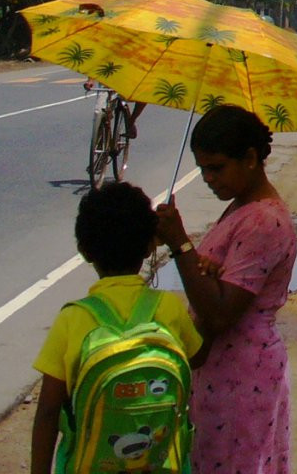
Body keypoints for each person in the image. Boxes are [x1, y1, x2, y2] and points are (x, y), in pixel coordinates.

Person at [156, 105, 297, 474]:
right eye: (202, 169)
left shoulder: (264, 220)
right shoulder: (241, 208)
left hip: (242, 373)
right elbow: (224, 281)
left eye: (216, 168)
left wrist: (181, 245)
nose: (208, 178)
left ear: (250, 158)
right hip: (221, 371)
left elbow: (220, 313)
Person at [31, 182, 201, 474]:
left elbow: (48, 412)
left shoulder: (73, 320)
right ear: (150, 246)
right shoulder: (168, 308)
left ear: (85, 251)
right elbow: (198, 357)